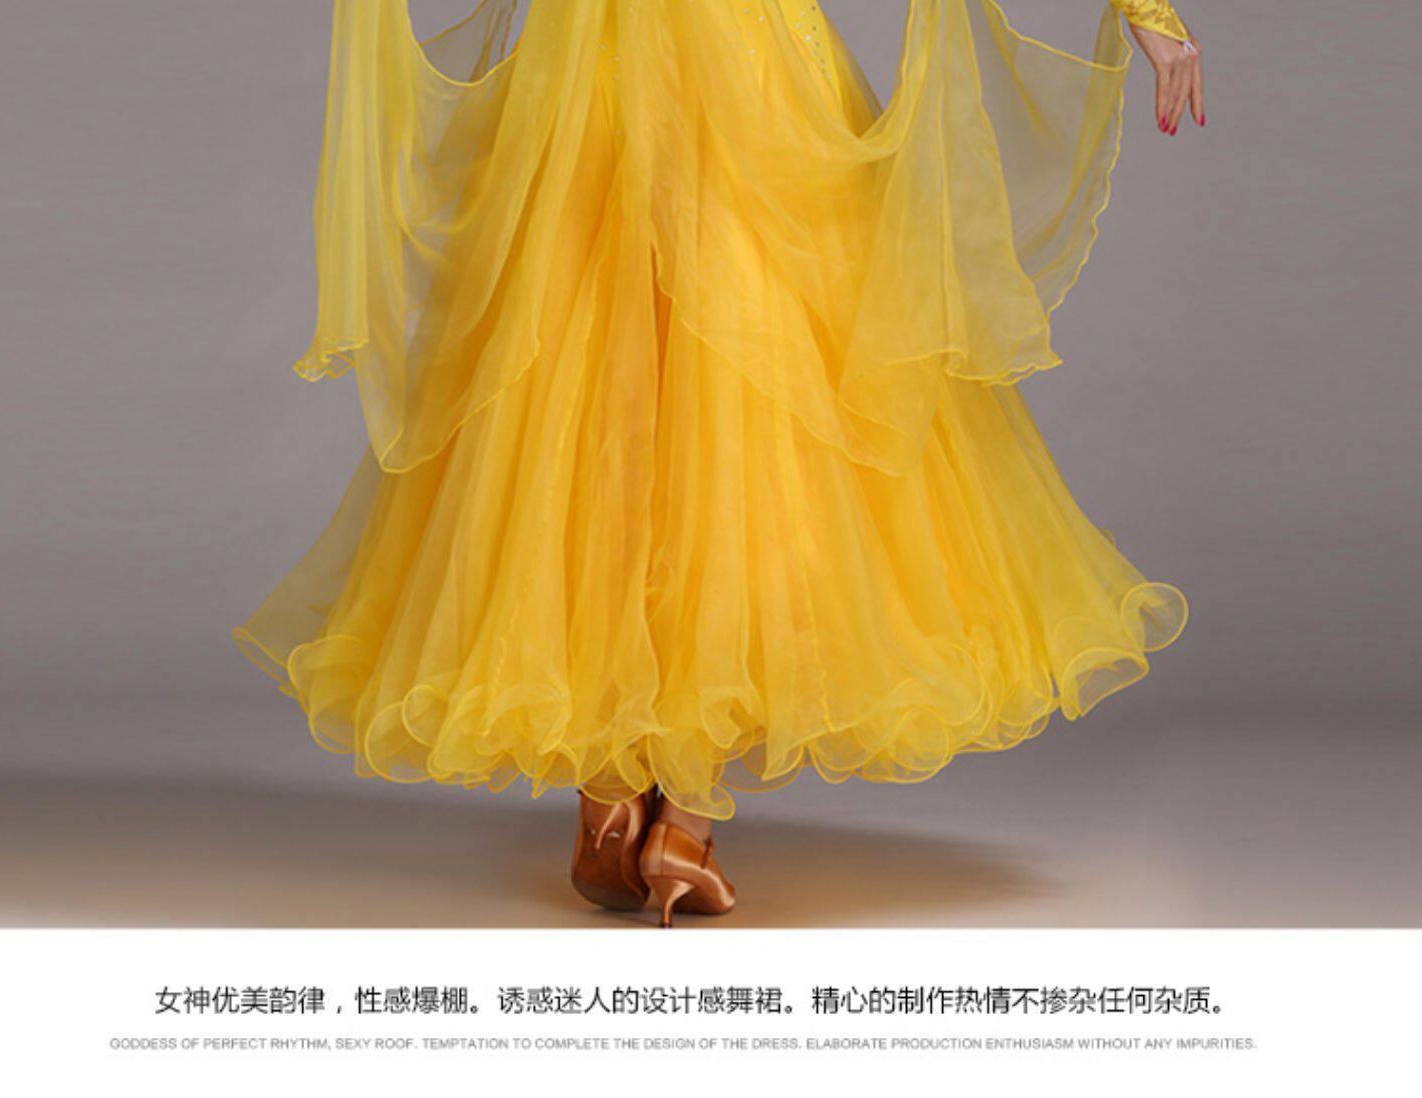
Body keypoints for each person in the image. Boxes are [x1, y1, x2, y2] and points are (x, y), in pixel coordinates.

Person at [233, 0, 1201, 928]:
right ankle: (683, 824)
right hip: (753, 77)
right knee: (755, 432)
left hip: (589, 85)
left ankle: (610, 800)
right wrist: (1149, 13)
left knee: (592, 402)